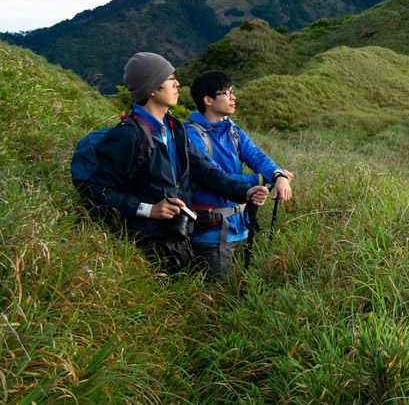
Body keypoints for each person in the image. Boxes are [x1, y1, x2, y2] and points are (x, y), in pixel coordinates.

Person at [80, 52, 269, 274]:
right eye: (170, 79)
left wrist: (245, 192)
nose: (177, 83)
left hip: (179, 237)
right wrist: (149, 210)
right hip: (146, 245)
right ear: (152, 88)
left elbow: (206, 171)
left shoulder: (174, 128)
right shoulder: (130, 136)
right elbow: (95, 189)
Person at [186, 70, 293, 279]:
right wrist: (263, 179)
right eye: (226, 93)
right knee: (214, 299)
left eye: (232, 91)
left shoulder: (233, 130)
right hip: (211, 233)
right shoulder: (191, 134)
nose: (233, 97)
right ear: (208, 100)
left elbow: (256, 156)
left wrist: (278, 175)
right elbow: (216, 177)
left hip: (240, 227)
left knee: (236, 296)